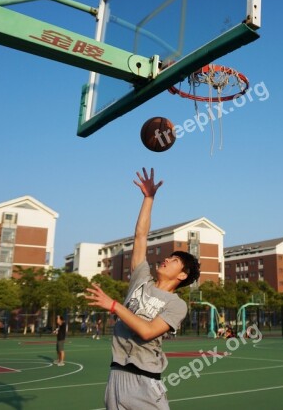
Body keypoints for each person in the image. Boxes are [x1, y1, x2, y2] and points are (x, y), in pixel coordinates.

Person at [85, 168, 200, 410]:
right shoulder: (141, 279)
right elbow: (140, 236)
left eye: (174, 260)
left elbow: (147, 332)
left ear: (182, 275)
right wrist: (148, 198)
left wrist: (114, 306)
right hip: (116, 376)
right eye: (168, 257)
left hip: (145, 382)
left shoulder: (177, 305)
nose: (166, 260)